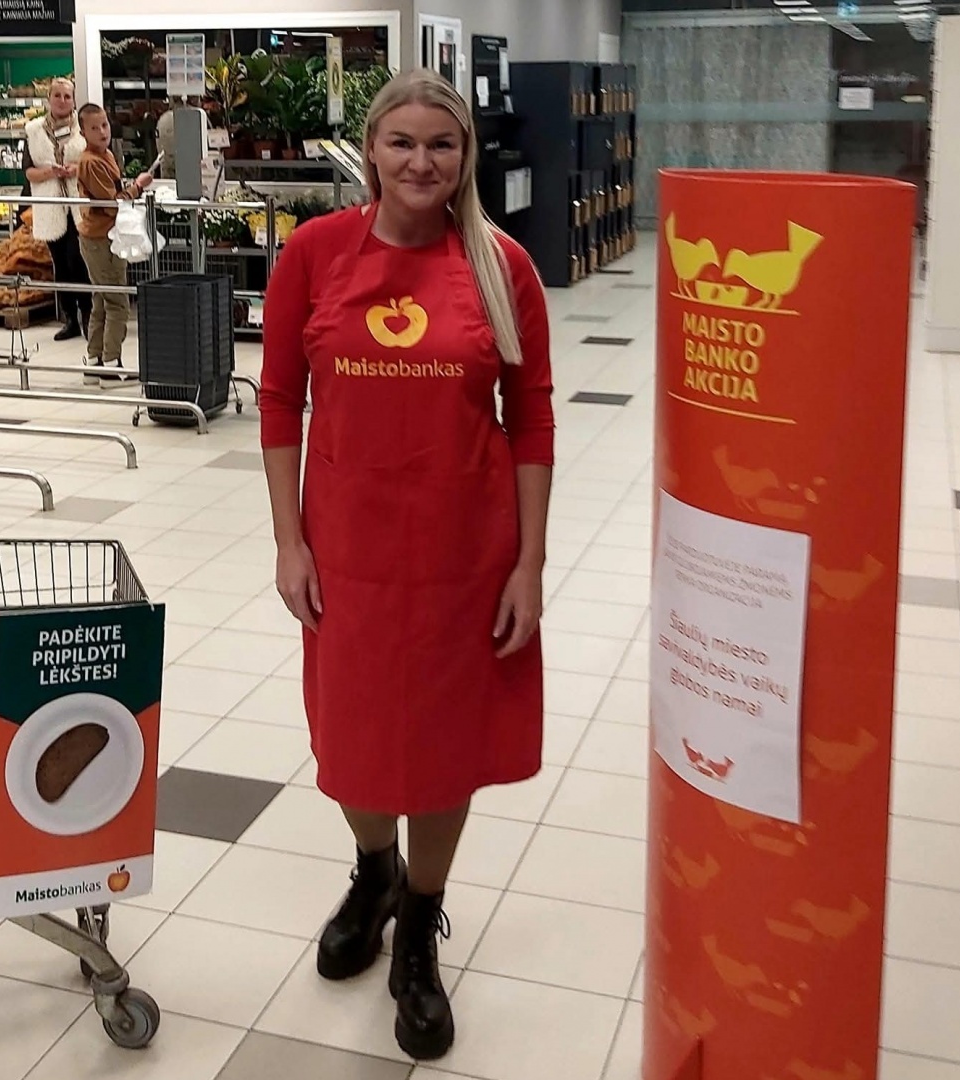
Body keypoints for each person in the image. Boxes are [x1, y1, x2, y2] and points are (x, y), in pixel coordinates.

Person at [258, 70, 555, 1061]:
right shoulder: (314, 252)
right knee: (352, 735)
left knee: (441, 742)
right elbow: (278, 400)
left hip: (465, 554)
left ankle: (420, 922)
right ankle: (373, 868)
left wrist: (529, 564)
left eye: (442, 144)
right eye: (402, 142)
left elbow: (532, 418)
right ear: (371, 152)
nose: (421, 162)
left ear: (465, 156)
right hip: (348, 550)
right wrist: (288, 540)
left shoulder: (501, 264)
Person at [74, 103, 153, 385]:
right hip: (102, 239)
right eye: (94, 128)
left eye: (105, 125)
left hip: (104, 236)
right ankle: (111, 364)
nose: (102, 132)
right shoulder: (91, 162)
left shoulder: (105, 155)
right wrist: (138, 187)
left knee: (101, 300)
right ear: (83, 132)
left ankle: (95, 361)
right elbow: (111, 204)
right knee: (118, 302)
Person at [23, 78, 92, 342]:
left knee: (78, 259)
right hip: (50, 205)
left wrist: (77, 169)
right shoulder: (33, 131)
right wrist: (50, 173)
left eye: (67, 96)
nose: (62, 101)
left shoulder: (84, 128)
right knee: (60, 263)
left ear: (73, 100)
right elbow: (28, 172)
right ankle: (69, 318)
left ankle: (88, 314)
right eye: (57, 96)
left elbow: (96, 160)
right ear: (48, 99)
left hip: (79, 204)